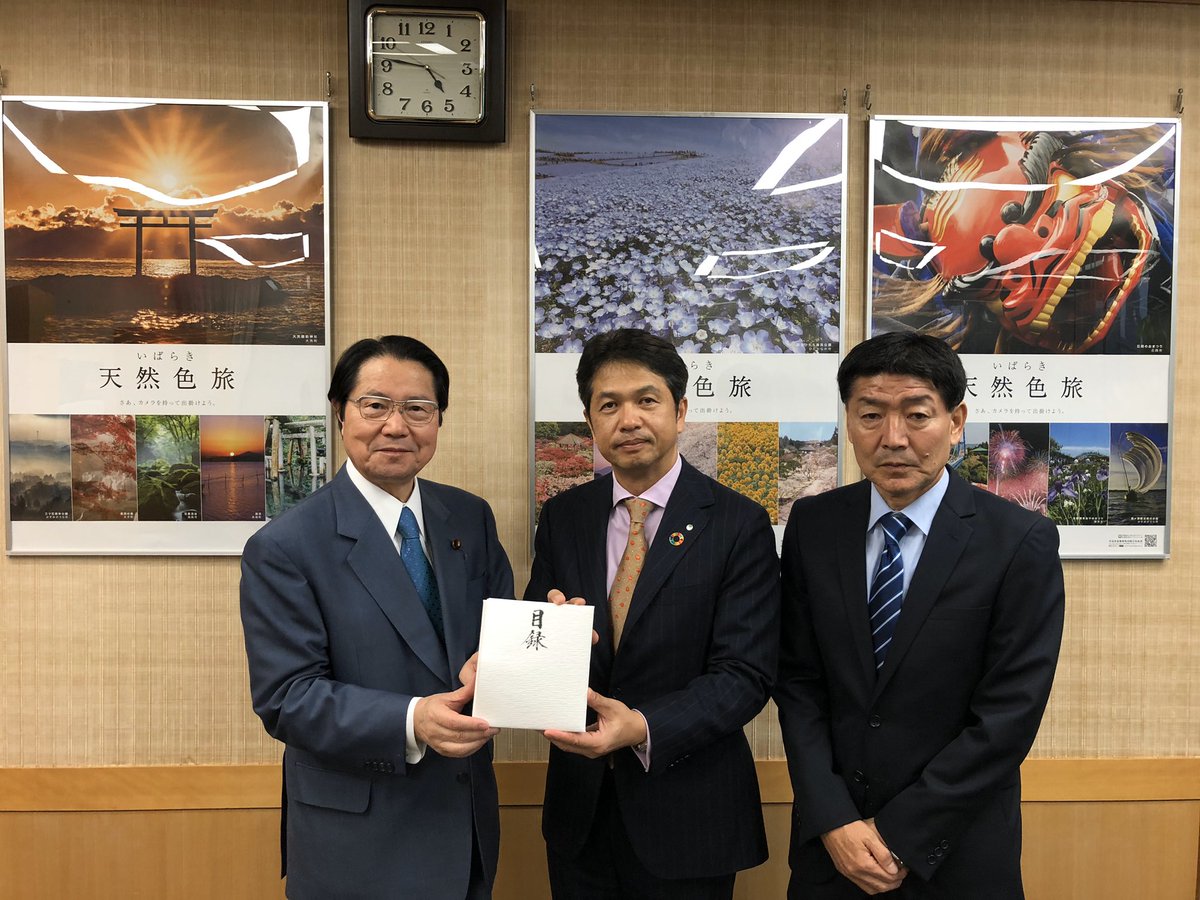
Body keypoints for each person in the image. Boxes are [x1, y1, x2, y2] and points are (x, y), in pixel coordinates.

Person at [774, 332, 1065, 899]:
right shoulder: (814, 525)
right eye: (870, 415)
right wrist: (833, 818)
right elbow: (798, 683)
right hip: (832, 849)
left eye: (917, 415)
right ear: (849, 422)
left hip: (956, 852)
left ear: (956, 422)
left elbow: (1009, 714)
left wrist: (901, 834)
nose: (893, 438)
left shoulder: (1018, 540)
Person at [240, 335, 514, 900]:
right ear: (340, 413)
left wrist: (549, 638)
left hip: (463, 827)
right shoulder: (286, 545)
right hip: (356, 843)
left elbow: (498, 639)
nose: (396, 425)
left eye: (417, 408)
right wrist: (413, 720)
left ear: (439, 420)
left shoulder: (470, 518)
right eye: (375, 405)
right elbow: (287, 697)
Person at [526, 328, 780, 899]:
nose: (629, 420)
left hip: (690, 814)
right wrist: (549, 634)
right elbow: (538, 635)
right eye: (608, 405)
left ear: (680, 411)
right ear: (590, 421)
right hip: (580, 815)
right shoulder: (565, 516)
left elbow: (746, 674)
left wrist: (642, 726)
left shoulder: (737, 522)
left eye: (646, 400)